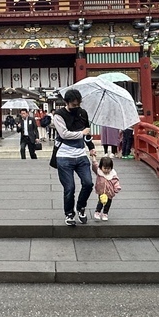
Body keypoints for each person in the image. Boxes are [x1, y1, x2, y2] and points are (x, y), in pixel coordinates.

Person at [52, 88, 96, 226]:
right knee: (69, 187)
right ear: (66, 102)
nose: (76, 107)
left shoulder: (83, 113)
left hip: (81, 154)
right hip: (64, 155)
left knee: (88, 183)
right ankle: (69, 213)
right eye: (73, 105)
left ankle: (81, 207)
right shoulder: (59, 115)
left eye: (78, 104)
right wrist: (82, 133)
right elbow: (64, 134)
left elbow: (87, 134)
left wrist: (91, 147)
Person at [93, 155, 121, 221]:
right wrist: (93, 158)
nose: (106, 170)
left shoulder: (113, 175)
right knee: (101, 201)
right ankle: (98, 212)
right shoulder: (99, 172)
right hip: (101, 191)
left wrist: (117, 188)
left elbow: (116, 182)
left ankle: (105, 213)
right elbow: (95, 165)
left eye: (108, 168)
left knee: (108, 203)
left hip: (110, 192)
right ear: (101, 167)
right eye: (105, 168)